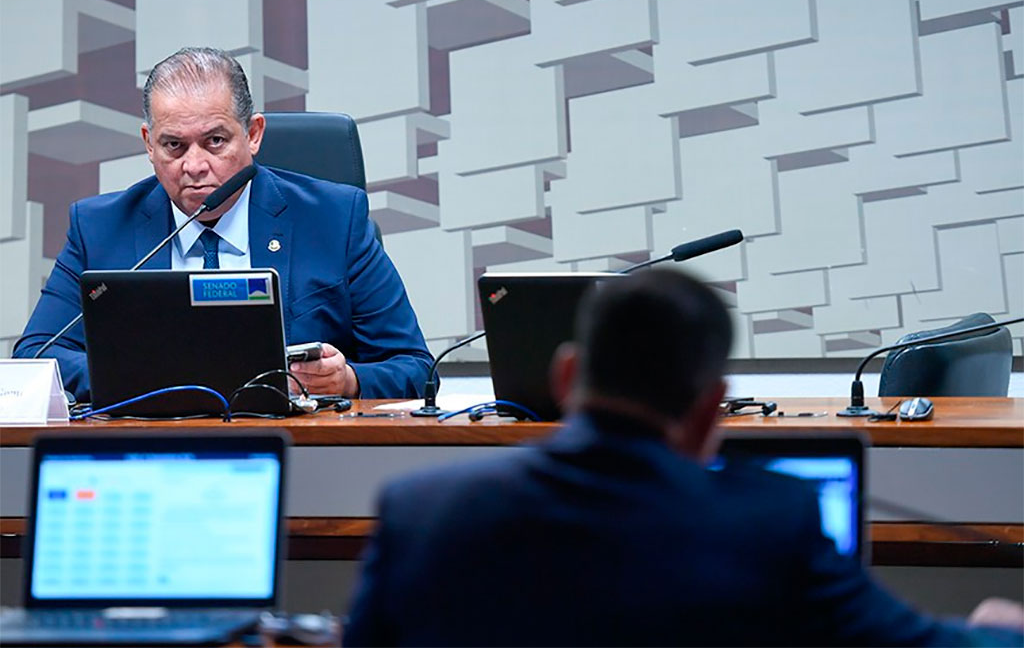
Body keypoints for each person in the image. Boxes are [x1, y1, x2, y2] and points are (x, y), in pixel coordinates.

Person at [344, 269, 1024, 646]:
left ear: (566, 376)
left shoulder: (420, 510)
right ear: (710, 408)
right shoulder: (770, 522)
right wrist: (993, 630)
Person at [13, 47, 432, 401]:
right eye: (174, 146)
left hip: (300, 448)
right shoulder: (99, 228)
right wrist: (145, 378)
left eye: (215, 141)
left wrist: (348, 380)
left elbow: (415, 368)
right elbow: (37, 355)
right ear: (148, 144)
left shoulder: (334, 218)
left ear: (253, 134)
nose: (194, 166)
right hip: (151, 445)